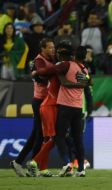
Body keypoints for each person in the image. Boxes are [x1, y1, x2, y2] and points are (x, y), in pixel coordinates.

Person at [32, 43, 87, 177]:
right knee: (78, 139)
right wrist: (80, 84)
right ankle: (81, 169)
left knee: (58, 137)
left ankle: (66, 164)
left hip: (65, 106)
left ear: (61, 55)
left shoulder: (63, 65)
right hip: (78, 107)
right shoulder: (82, 68)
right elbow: (88, 82)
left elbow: (47, 72)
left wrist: (35, 72)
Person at [10, 38, 55, 177]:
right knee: (39, 135)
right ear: (42, 49)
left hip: (45, 101)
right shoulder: (38, 61)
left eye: (53, 47)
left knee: (37, 134)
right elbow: (40, 78)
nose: (52, 50)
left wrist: (50, 71)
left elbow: (44, 74)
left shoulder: (50, 60)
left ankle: (19, 162)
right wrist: (52, 72)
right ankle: (31, 166)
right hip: (40, 101)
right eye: (49, 47)